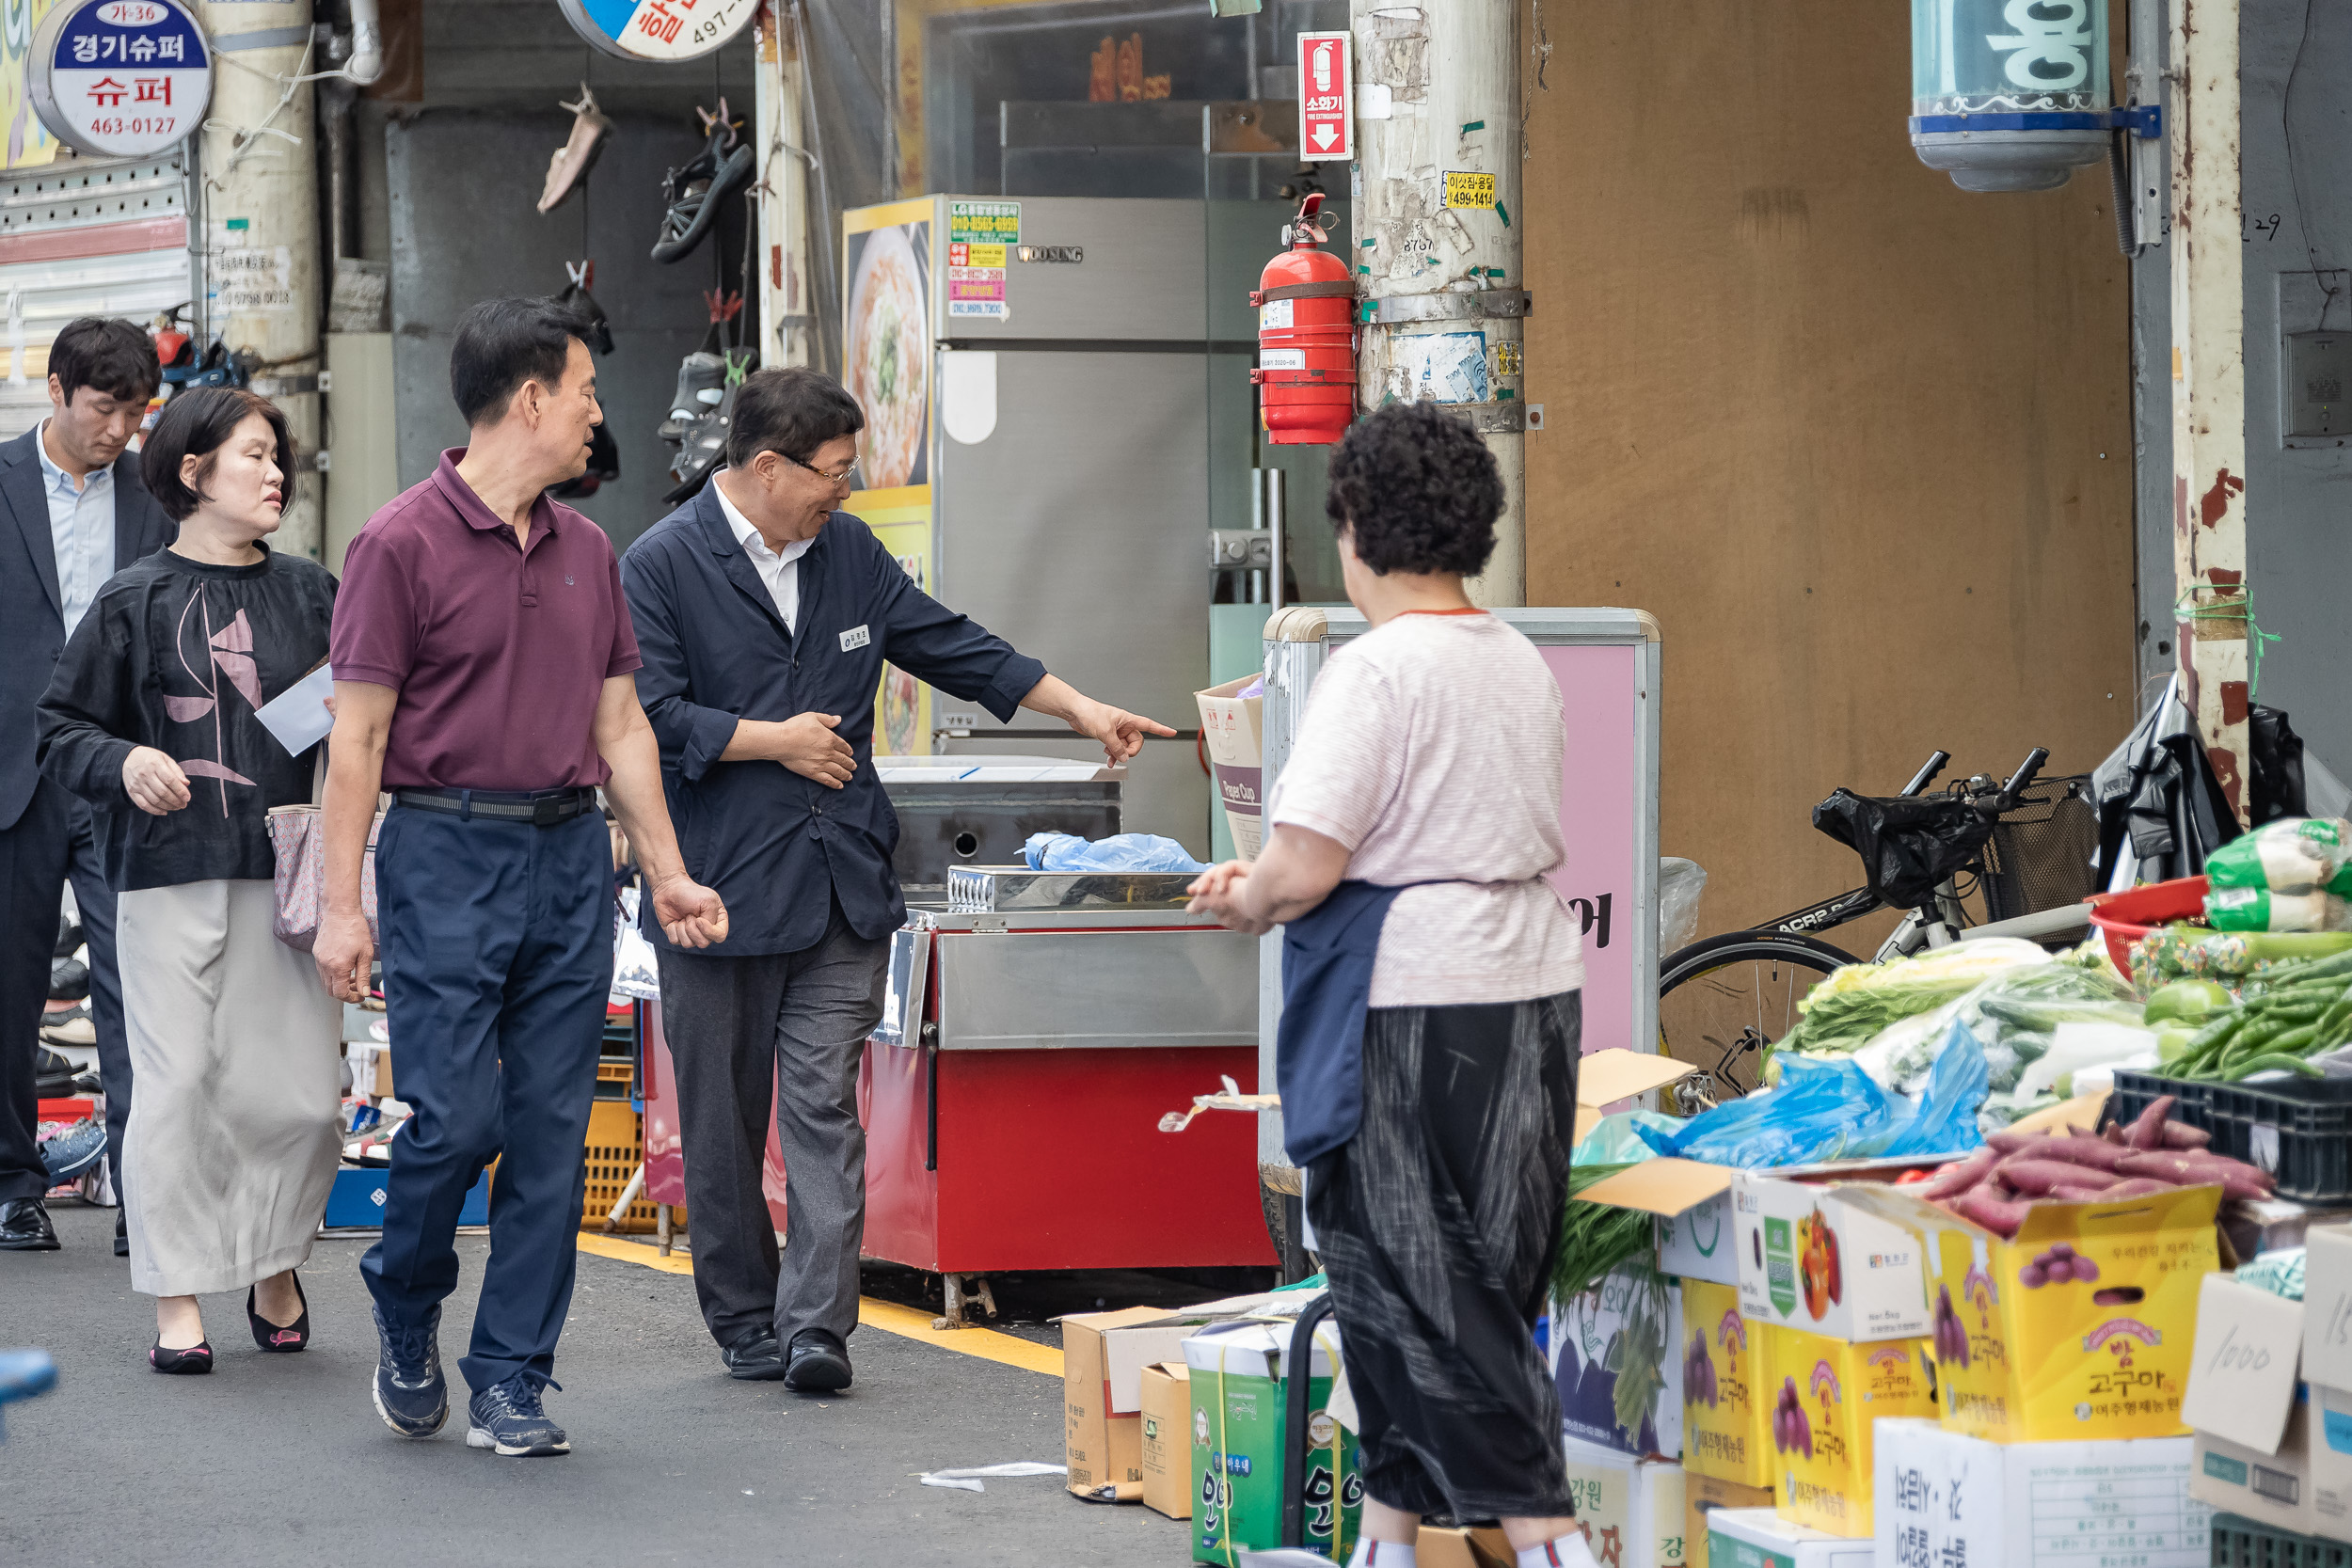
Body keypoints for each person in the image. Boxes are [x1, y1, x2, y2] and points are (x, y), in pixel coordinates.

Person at [619, 367, 1172, 1389]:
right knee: (724, 1114)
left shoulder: (850, 553)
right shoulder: (660, 564)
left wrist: (1083, 708)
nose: (848, 488)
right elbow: (641, 716)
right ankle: (743, 1313)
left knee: (823, 1100)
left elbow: (953, 644)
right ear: (768, 467)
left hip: (841, 884)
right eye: (832, 471)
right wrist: (770, 739)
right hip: (719, 890)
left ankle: (816, 1325)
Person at [314, 297, 727, 1458]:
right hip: (444, 849)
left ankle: (510, 1375)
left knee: (549, 1131)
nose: (601, 413)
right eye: (588, 389)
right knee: (455, 1121)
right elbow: (354, 740)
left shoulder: (590, 549)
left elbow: (624, 726)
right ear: (533, 398)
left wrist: (670, 872)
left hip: (566, 854)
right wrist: (345, 906)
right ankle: (406, 1296)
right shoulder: (399, 542)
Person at [1185, 403, 1596, 1568]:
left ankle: (1547, 1534)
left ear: (1355, 527)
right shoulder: (1516, 658)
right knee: (1481, 1266)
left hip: (1405, 991)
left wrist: (1242, 893)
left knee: (1410, 1263)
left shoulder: (1374, 675)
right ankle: (1387, 1533)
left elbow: (1307, 862)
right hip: (1529, 979)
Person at [37, 388, 342, 1371]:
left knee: (295, 1096)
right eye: (253, 455)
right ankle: (176, 1292)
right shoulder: (133, 598)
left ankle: (272, 1258)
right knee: (172, 1091)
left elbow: (352, 721)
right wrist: (124, 762)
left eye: (277, 457)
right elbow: (58, 727)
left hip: (282, 870)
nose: (275, 474)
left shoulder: (313, 592)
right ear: (191, 471)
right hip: (161, 877)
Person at [0, 317, 171, 1256]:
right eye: (106, 407)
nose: (120, 429)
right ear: (58, 387)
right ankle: (12, 1180)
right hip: (11, 771)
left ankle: (140, 1180)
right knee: (10, 986)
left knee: (135, 983)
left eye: (137, 411)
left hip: (120, 771)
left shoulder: (153, 494)